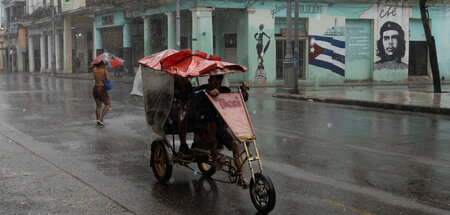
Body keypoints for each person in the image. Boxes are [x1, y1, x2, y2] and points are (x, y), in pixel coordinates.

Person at [191, 75, 250, 186]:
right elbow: (195, 95)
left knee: (235, 145)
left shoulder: (224, 90)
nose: (217, 86)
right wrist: (208, 93)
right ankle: (215, 159)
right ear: (209, 80)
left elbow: (238, 98)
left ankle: (242, 176)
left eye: (219, 83)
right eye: (215, 83)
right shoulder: (201, 90)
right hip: (203, 127)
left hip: (219, 127)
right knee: (212, 126)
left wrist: (244, 90)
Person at [92, 60, 111, 126]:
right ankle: (101, 119)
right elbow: (108, 80)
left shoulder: (94, 70)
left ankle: (98, 120)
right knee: (108, 104)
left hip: (95, 88)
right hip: (101, 88)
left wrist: (104, 66)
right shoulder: (104, 71)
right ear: (102, 64)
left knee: (98, 106)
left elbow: (99, 71)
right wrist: (106, 72)